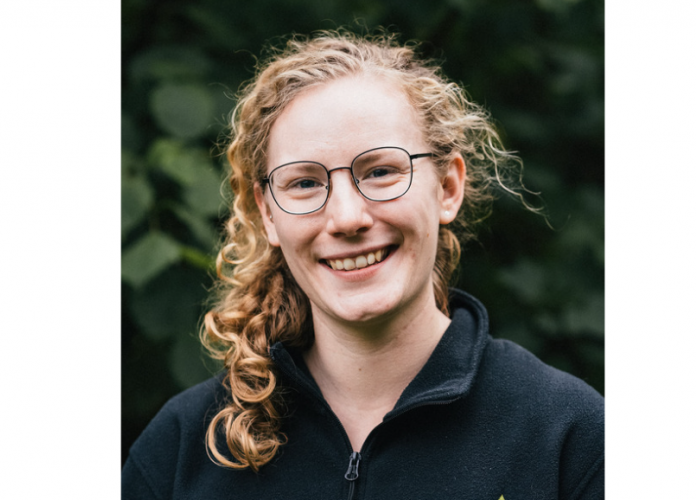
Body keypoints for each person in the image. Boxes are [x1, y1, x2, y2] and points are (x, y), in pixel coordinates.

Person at [122, 30, 604, 499]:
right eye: (305, 183)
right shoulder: (182, 449)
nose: (347, 218)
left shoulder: (569, 439)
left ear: (448, 188)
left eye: (380, 171)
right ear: (267, 214)